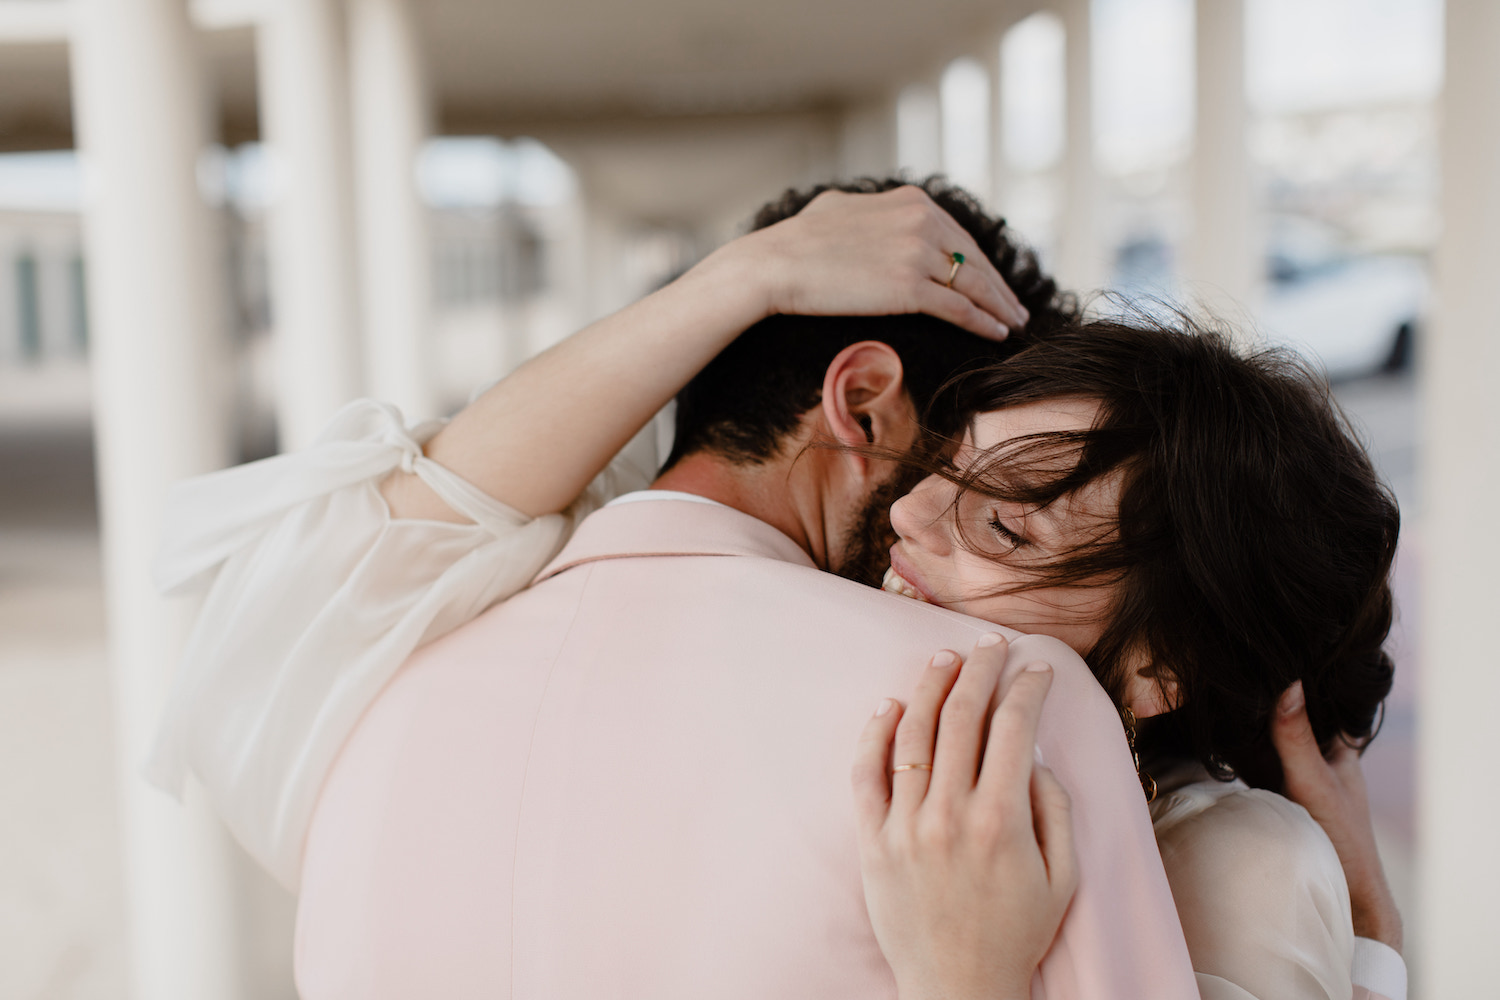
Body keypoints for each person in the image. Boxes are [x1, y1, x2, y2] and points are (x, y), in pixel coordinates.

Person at [149, 180, 1403, 998]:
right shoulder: (1010, 719)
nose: (916, 513)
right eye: (948, 456)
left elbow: (382, 535)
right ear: (863, 404)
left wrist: (736, 279)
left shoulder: (380, 698)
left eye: (1001, 520)